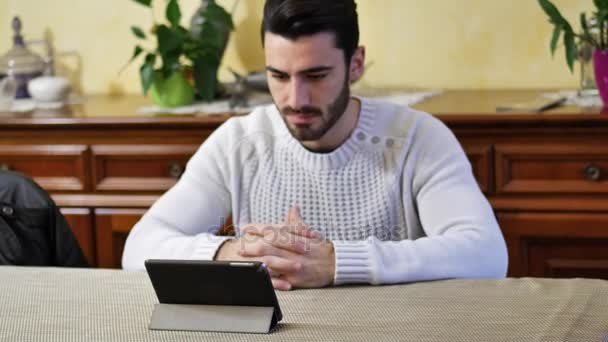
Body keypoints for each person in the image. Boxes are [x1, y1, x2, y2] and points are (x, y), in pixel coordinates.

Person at [122, 0, 508, 290]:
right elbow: (140, 246)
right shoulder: (238, 142)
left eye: (316, 75)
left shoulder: (418, 139)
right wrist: (238, 255)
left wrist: (338, 262)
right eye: (278, 76)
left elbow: (485, 253)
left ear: (355, 64)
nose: (296, 99)